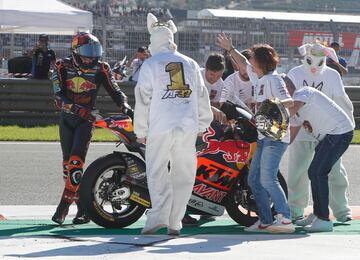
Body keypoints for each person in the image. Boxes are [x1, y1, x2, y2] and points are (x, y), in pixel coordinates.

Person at [134, 13, 213, 235]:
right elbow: (201, 95)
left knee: (157, 170)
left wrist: (140, 129)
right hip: (187, 125)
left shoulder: (150, 64)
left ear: (154, 41)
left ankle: (158, 216)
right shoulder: (190, 63)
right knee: (185, 172)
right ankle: (175, 221)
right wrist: (203, 123)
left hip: (160, 125)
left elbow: (142, 98)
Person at [216, 32, 295, 233]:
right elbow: (242, 64)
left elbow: (289, 101)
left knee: (268, 178)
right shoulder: (258, 77)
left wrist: (271, 104)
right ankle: (266, 220)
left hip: (275, 138)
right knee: (253, 180)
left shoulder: (273, 80)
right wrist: (230, 49)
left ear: (260, 61)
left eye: (253, 57)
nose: (249, 60)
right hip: (262, 137)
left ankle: (285, 218)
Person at [51, 32, 130, 225]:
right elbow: (58, 97)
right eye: (86, 53)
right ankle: (83, 210)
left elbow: (115, 90)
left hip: (86, 122)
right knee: (67, 167)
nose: (90, 57)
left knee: (76, 164)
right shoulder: (61, 66)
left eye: (94, 53)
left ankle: (63, 207)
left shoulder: (102, 68)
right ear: (76, 51)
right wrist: (77, 109)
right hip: (67, 119)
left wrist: (124, 104)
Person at [286, 42, 355, 223]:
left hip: (327, 130)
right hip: (300, 130)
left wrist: (345, 120)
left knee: (334, 171)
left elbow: (340, 100)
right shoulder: (294, 74)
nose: (315, 68)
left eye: (319, 62)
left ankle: (341, 210)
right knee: (297, 172)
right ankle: (295, 210)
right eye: (311, 61)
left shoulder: (332, 75)